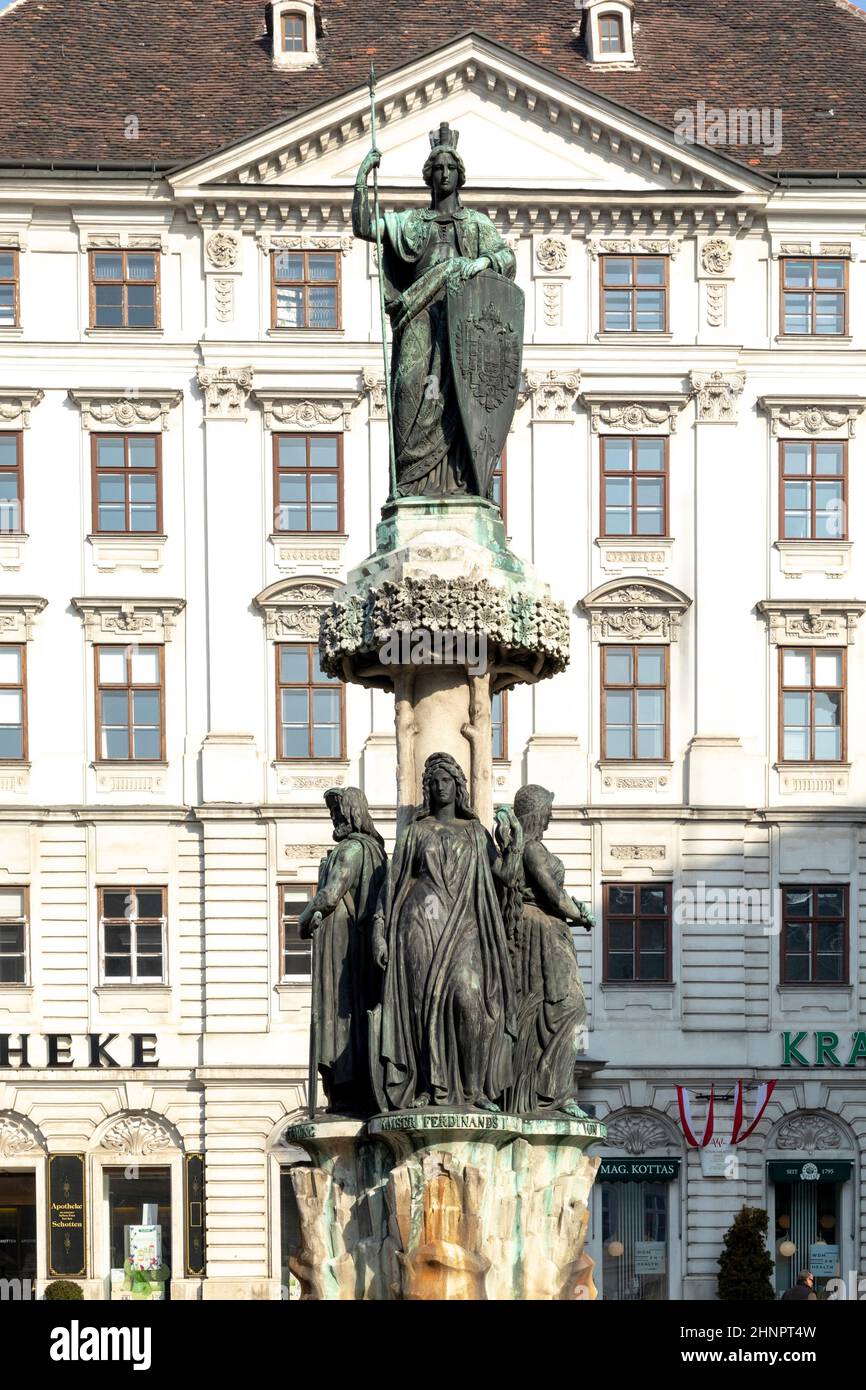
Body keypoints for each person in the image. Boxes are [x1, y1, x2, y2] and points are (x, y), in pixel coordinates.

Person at [352, 122, 516, 498]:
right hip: (419, 313)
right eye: (438, 168)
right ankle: (409, 483)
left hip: (462, 320)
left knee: (460, 396)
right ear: (429, 175)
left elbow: (507, 257)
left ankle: (463, 483)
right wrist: (362, 177)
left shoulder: (476, 224)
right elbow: (363, 226)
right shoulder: (411, 222)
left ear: (459, 175)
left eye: (450, 168)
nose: (444, 174)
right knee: (409, 388)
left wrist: (482, 261)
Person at [370, 751, 518, 1111]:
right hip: (420, 923)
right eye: (433, 781)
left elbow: (505, 877)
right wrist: (379, 928)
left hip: (466, 924)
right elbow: (392, 883)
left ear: (459, 786)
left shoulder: (476, 832)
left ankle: (474, 1089)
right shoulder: (415, 832)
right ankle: (429, 1086)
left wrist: (514, 844)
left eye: (447, 780)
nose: (440, 787)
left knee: (471, 1002)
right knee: (422, 1008)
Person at [498, 785, 593, 1116]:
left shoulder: (528, 847)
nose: (550, 819)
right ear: (535, 812)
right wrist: (580, 913)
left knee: (550, 1009)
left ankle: (548, 1092)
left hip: (545, 928)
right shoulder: (532, 850)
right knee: (569, 1007)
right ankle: (553, 1094)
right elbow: (552, 893)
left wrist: (573, 911)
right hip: (541, 930)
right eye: (547, 812)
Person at [297, 786, 387, 1116]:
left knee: (337, 1014)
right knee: (348, 1013)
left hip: (341, 944)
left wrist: (303, 920)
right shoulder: (375, 852)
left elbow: (330, 895)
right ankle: (352, 1086)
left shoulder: (351, 850)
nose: (334, 818)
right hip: (355, 944)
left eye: (338, 812)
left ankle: (344, 1087)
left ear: (351, 813)